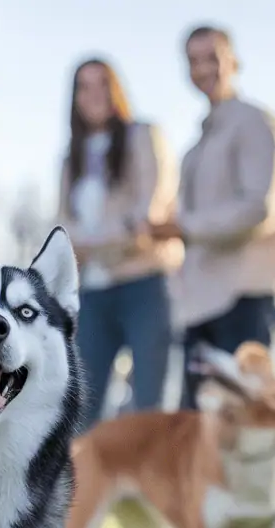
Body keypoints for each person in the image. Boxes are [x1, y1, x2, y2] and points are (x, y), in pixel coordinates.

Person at [151, 24, 275, 528]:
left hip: (247, 294)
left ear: (234, 60)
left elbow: (260, 209)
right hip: (201, 305)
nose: (203, 67)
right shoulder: (198, 140)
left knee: (265, 432)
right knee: (211, 440)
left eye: (212, 56)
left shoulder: (253, 123)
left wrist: (183, 226)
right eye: (192, 58)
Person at [56, 58, 183, 430]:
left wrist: (94, 240)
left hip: (145, 283)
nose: (93, 94)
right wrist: (101, 240)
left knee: (152, 405)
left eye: (102, 84)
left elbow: (147, 213)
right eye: (84, 86)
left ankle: (157, 487)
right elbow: (62, 229)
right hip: (93, 293)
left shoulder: (143, 136)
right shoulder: (70, 159)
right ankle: (92, 487)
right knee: (84, 408)